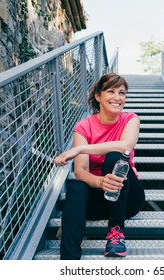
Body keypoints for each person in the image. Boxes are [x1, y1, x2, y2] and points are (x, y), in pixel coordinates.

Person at [54, 73, 145, 260]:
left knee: (115, 158)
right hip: (98, 199)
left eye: (122, 93)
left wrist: (80, 148)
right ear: (98, 96)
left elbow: (126, 146)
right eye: (111, 91)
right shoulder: (84, 126)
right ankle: (69, 260)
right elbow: (80, 171)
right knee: (75, 186)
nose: (117, 98)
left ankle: (116, 232)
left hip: (127, 198)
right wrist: (100, 182)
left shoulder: (131, 119)